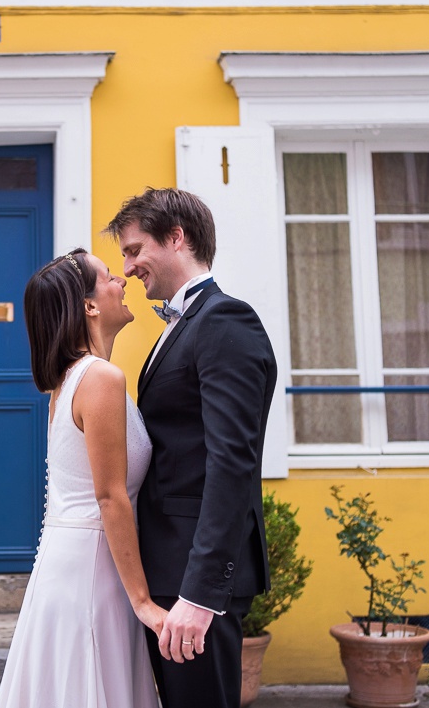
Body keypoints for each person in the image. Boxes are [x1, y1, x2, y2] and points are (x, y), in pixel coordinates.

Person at [105, 188, 277, 708]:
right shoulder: (177, 327)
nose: (129, 267)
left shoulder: (225, 321)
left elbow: (231, 463)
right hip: (167, 569)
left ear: (176, 238)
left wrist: (201, 594)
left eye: (135, 250)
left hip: (194, 581)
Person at [0, 248, 164, 708]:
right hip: (93, 570)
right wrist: (144, 602)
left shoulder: (70, 380)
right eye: (110, 277)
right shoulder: (100, 378)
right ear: (89, 305)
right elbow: (110, 497)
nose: (122, 281)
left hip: (71, 563)